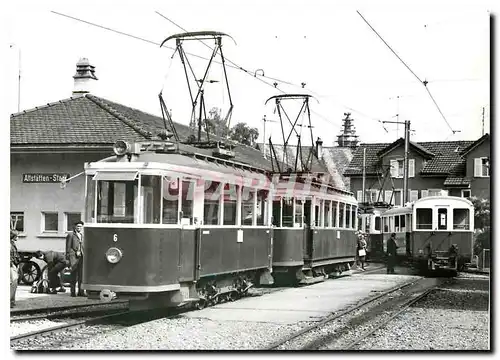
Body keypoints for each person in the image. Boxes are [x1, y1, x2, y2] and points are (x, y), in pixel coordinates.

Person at [66, 221, 85, 297]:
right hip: (73, 257)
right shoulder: (70, 235)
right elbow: (68, 247)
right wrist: (69, 258)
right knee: (73, 275)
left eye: (80, 226)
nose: (79, 228)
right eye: (77, 226)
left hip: (82, 257)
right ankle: (73, 292)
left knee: (81, 275)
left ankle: (81, 292)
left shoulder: (82, 235)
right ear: (75, 227)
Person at [10, 230, 21, 308]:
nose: (18, 237)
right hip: (11, 266)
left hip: (14, 265)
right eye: (17, 236)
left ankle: (12, 301)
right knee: (13, 283)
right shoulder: (9, 244)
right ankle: (10, 301)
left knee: (14, 283)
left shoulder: (12, 243)